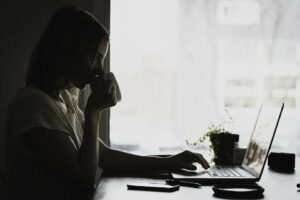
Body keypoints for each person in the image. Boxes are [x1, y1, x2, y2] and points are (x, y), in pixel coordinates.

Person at [5, 5, 209, 200]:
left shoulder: (64, 100)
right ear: (68, 50)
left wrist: (169, 162)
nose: (100, 70)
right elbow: (83, 178)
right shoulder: (34, 105)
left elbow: (105, 156)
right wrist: (94, 110)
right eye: (95, 57)